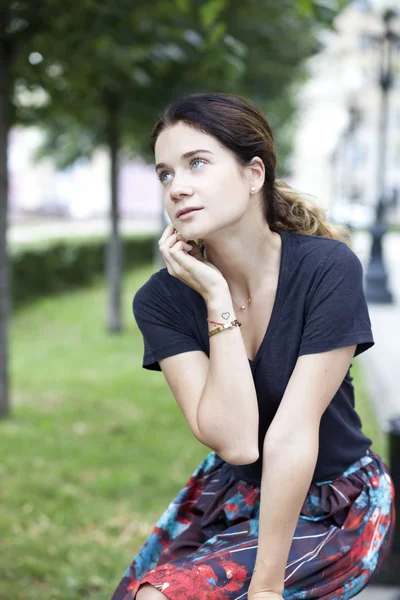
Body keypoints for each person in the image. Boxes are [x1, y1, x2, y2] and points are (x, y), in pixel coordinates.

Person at [111, 92, 395, 600]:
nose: (177, 187)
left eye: (197, 163)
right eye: (165, 173)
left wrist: (266, 588)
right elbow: (238, 442)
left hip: (339, 500)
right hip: (235, 491)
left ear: (254, 174)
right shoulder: (162, 300)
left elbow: (291, 434)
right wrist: (217, 299)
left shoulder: (326, 269)